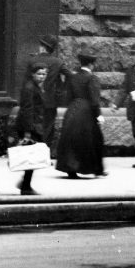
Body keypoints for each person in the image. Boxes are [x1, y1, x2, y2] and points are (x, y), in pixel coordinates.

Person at [55, 49, 107, 178]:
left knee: (71, 139)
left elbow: (67, 96)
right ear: (91, 65)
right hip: (86, 111)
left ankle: (71, 168)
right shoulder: (92, 78)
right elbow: (95, 100)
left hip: (72, 109)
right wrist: (98, 115)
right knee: (95, 139)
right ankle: (97, 169)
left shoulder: (73, 76)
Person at [24, 34, 70, 154]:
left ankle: (35, 153)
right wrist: (60, 89)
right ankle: (45, 153)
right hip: (50, 100)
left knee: (35, 126)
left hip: (34, 99)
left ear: (43, 47)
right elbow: (70, 76)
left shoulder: (32, 60)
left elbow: (26, 81)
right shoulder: (58, 62)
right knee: (48, 128)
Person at [15, 61, 48, 194]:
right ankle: (25, 186)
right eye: (39, 74)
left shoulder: (35, 86)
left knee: (32, 157)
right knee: (31, 157)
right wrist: (28, 132)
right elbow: (27, 110)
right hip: (30, 126)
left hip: (34, 125)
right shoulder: (30, 88)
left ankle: (25, 183)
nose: (42, 76)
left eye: (44, 74)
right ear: (32, 74)